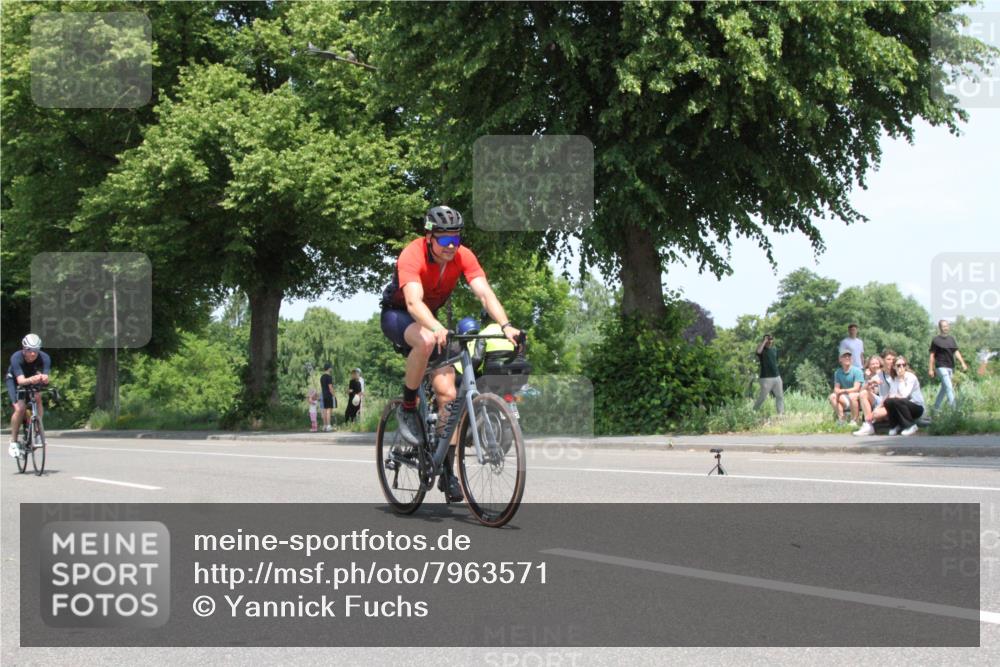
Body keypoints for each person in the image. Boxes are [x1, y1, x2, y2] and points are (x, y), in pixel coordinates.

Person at [380, 205, 521, 502]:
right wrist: (434, 326)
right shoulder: (412, 254)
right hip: (399, 315)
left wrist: (506, 326)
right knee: (426, 341)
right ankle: (408, 406)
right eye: (444, 240)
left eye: (455, 239)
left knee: (449, 395)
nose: (451, 246)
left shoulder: (463, 256)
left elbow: (485, 293)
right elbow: (413, 302)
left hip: (430, 320)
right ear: (429, 237)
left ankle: (446, 469)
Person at [7, 334, 51, 458]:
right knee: (20, 408)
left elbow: (46, 378)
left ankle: (38, 431)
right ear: (23, 349)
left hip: (32, 380)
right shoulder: (16, 357)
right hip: (15, 381)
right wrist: (33, 379)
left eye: (36, 350)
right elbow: (21, 381)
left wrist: (44, 378)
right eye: (30, 350)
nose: (33, 353)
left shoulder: (45, 358)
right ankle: (13, 442)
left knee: (37, 398)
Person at [929, 320, 969, 410]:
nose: (946, 328)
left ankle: (935, 409)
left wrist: (963, 363)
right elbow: (932, 355)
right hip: (940, 366)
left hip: (950, 367)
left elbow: (956, 352)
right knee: (949, 387)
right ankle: (955, 410)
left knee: (944, 389)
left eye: (947, 326)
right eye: (944, 326)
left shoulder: (951, 339)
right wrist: (931, 369)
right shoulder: (936, 340)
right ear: (940, 328)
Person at [883, 355, 926, 436]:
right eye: (898, 365)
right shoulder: (893, 379)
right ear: (894, 367)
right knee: (888, 402)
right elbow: (892, 396)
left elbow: (904, 395)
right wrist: (898, 379)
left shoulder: (911, 377)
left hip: (916, 407)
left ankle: (910, 426)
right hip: (903, 406)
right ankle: (895, 425)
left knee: (899, 401)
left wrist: (901, 379)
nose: (901, 367)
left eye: (904, 365)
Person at [853, 354, 889, 436]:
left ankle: (868, 421)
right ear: (869, 366)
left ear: (880, 364)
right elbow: (862, 391)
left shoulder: (883, 373)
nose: (875, 365)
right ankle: (867, 424)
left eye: (876, 363)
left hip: (885, 399)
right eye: (872, 364)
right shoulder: (868, 376)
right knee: (863, 393)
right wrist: (868, 379)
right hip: (877, 400)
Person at [829, 348, 864, 424]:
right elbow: (836, 388)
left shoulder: (857, 371)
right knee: (832, 396)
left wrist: (842, 391)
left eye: (849, 356)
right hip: (847, 397)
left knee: (852, 395)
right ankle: (842, 419)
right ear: (840, 359)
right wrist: (837, 392)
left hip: (859, 397)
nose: (847, 358)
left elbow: (856, 388)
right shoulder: (838, 372)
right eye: (844, 356)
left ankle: (855, 420)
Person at [752, 334, 784, 415]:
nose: (769, 341)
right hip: (766, 378)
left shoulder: (774, 349)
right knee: (763, 397)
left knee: (779, 396)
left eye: (771, 339)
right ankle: (753, 412)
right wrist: (764, 341)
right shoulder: (762, 350)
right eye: (768, 340)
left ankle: (780, 414)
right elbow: (758, 352)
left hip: (776, 377)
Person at [319, 363, 336, 432]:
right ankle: (329, 425)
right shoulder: (329, 377)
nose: (331, 369)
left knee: (324, 411)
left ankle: (324, 426)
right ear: (329, 368)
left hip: (323, 394)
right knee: (329, 410)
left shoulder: (322, 377)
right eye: (330, 367)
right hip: (329, 395)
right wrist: (334, 395)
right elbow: (330, 387)